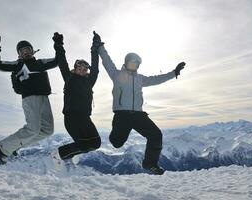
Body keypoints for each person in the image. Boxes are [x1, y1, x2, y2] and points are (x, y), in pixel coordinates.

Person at [93, 32, 185, 175]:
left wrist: (173, 73)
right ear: (126, 62)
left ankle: (150, 164)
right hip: (122, 115)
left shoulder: (140, 79)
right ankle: (114, 135)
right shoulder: (117, 75)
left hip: (138, 115)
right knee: (117, 143)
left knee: (156, 135)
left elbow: (156, 79)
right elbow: (107, 61)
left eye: (136, 63)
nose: (134, 65)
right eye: (131, 62)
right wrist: (99, 46)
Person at [0, 29, 62, 164]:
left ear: (32, 51)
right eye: (22, 51)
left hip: (44, 97)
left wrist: (58, 44)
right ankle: (2, 148)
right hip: (30, 97)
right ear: (19, 55)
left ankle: (15, 146)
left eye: (27, 49)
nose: (25, 52)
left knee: (47, 130)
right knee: (33, 128)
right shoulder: (18, 65)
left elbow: (58, 60)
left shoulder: (41, 63)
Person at [54, 31, 101, 161]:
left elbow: (95, 69)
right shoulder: (69, 78)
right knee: (84, 144)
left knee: (96, 144)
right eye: (79, 68)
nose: (82, 71)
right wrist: (58, 45)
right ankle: (58, 155)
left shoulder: (89, 82)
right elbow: (62, 62)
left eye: (85, 69)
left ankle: (64, 155)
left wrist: (94, 48)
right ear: (75, 68)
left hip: (85, 118)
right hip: (72, 118)